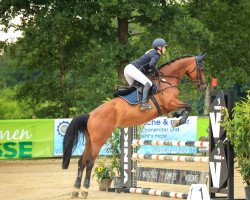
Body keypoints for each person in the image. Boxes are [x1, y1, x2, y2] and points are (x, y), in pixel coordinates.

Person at [124, 38, 167, 110]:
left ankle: (133, 106)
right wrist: (156, 73)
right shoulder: (156, 55)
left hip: (128, 69)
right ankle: (143, 104)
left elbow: (146, 66)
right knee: (148, 83)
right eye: (164, 47)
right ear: (159, 47)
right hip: (132, 69)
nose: (165, 49)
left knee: (137, 89)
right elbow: (151, 65)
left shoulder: (152, 52)